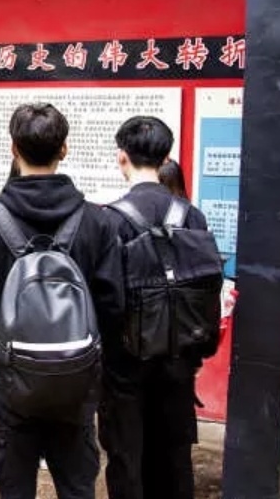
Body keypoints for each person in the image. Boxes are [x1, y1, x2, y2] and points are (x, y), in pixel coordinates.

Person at [0, 103, 121, 499]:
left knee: (14, 488)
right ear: (64, 149)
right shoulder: (97, 221)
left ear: (13, 149)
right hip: (77, 382)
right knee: (77, 487)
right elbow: (114, 307)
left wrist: (3, 345)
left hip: (11, 383)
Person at [99, 117, 210, 499]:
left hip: (124, 364)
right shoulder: (191, 215)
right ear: (166, 158)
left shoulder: (109, 220)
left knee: (126, 459)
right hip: (178, 358)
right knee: (175, 458)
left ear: (122, 157)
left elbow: (105, 297)